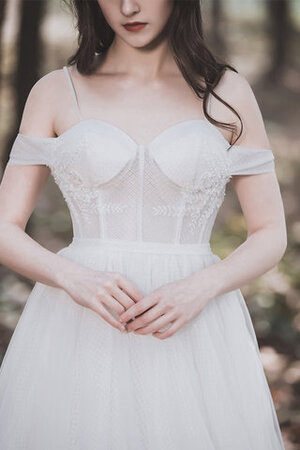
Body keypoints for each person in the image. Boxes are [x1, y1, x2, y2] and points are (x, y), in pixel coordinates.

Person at [0, 0, 287, 448]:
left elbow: (270, 232)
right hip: (77, 325)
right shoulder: (56, 91)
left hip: (194, 328)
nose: (128, 7)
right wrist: (69, 275)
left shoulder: (227, 91)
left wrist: (202, 287)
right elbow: (4, 226)